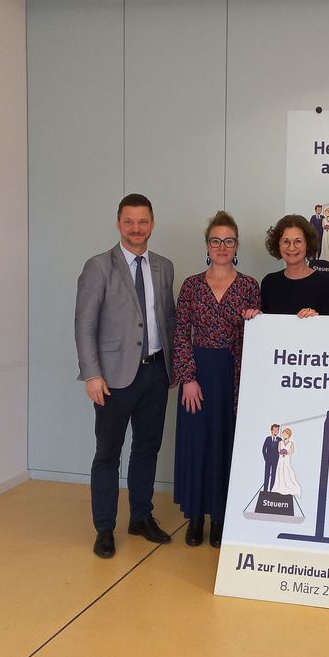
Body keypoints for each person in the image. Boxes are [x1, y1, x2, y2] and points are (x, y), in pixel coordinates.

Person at [75, 193, 175, 559]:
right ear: (118, 223)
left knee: (147, 448)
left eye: (143, 221)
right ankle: (104, 527)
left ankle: (141, 517)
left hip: (156, 373)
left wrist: (174, 366)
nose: (136, 228)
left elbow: (168, 318)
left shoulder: (164, 266)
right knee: (108, 454)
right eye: (129, 221)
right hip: (112, 379)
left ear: (152, 224)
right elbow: (84, 324)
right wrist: (91, 374)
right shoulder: (99, 266)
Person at [173, 211, 261, 548]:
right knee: (198, 444)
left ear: (236, 245)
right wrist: (187, 378)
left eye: (228, 241)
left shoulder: (249, 286)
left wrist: (254, 320)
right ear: (207, 245)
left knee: (227, 444)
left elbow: (257, 338)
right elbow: (181, 333)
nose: (222, 247)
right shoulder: (191, 285)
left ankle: (221, 518)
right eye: (215, 241)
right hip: (198, 375)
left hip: (234, 376)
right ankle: (195, 516)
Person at [259, 214, 329, 317]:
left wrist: (317, 320)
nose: (291, 248)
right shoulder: (269, 283)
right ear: (278, 245)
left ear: (307, 244)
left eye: (298, 241)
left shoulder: (327, 285)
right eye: (286, 241)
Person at [271, 428, 301, 496]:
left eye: (285, 434)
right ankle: (279, 486)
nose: (284, 435)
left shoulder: (291, 443)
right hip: (281, 458)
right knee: (280, 470)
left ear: (288, 435)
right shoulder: (280, 442)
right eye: (283, 434)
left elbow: (292, 452)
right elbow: (279, 450)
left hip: (287, 458)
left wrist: (286, 452)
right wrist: (282, 452)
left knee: (287, 470)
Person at [262, 424, 281, 492]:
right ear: (271, 430)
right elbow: (263, 449)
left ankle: (271, 490)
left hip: (275, 460)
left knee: (273, 475)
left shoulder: (280, 440)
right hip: (268, 460)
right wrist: (266, 458)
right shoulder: (268, 439)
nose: (276, 431)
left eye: (277, 430)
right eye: (274, 429)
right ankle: (265, 490)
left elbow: (281, 450)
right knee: (267, 474)